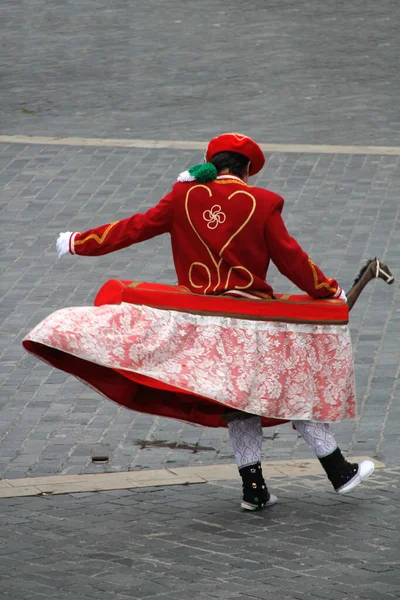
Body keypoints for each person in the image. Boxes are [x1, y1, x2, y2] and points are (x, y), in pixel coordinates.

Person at [24, 133, 374, 511]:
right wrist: (328, 289)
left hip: (201, 325)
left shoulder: (181, 197)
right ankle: (339, 472)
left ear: (213, 164)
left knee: (238, 404)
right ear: (246, 170)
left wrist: (78, 241)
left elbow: (133, 228)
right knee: (291, 392)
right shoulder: (264, 203)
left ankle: (255, 490)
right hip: (251, 323)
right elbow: (292, 260)